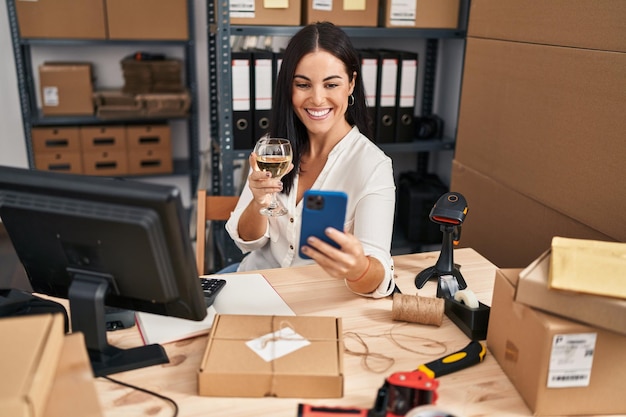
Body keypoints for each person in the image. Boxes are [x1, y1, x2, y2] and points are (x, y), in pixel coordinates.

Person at [225, 21, 396, 298]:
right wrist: (258, 203)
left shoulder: (372, 166)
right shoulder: (273, 148)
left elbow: (378, 280)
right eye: (303, 84)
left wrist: (358, 266)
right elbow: (247, 242)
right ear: (288, 88)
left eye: (331, 84)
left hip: (314, 301)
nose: (317, 99)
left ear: (351, 84)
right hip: (254, 286)